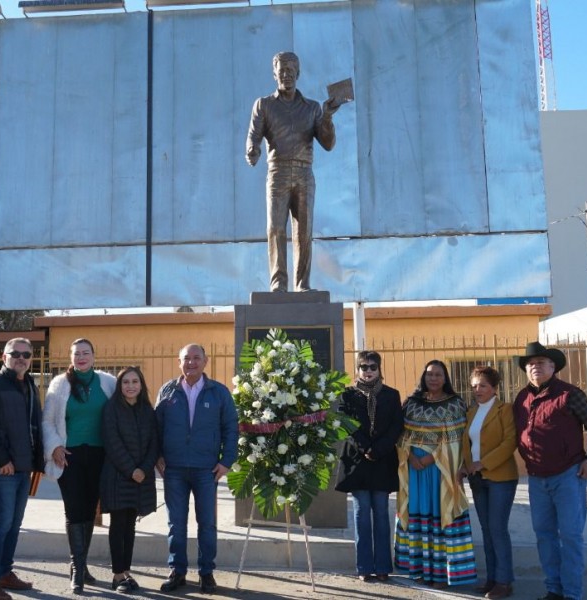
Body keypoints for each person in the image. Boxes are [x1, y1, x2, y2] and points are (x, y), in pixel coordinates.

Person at [513, 342, 587, 600]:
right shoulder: (522, 398)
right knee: (544, 536)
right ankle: (554, 589)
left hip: (568, 476)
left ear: (553, 366)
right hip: (536, 478)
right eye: (531, 364)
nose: (535, 367)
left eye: (541, 363)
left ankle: (572, 594)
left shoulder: (569, 394)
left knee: (571, 536)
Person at [246, 51, 339, 292]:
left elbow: (328, 143)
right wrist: (252, 150)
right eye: (282, 70)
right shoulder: (264, 105)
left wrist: (327, 117)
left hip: (304, 173)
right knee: (275, 227)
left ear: (298, 74)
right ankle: (278, 282)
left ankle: (302, 284)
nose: (286, 74)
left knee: (303, 230)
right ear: (274, 73)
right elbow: (253, 136)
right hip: (277, 173)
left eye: (291, 70)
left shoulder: (312, 108)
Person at [155, 343, 238, 594]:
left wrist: (226, 461)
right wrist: (157, 455)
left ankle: (206, 573)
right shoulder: (167, 391)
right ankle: (177, 571)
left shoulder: (219, 392)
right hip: (174, 469)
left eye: (196, 358)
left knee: (207, 524)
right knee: (176, 524)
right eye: (186, 358)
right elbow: (155, 427)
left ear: (205, 361)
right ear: (179, 362)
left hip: (206, 469)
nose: (191, 362)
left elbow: (231, 428)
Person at [394, 359, 477, 589]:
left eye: (438, 374)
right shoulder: (411, 403)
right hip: (414, 469)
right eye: (429, 374)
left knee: (440, 514)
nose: (433, 378)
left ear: (445, 378)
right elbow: (400, 434)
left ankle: (441, 573)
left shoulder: (455, 404)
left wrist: (429, 458)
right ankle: (418, 569)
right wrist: (410, 456)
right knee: (417, 513)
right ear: (424, 376)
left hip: (440, 470)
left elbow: (456, 441)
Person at [0, 338, 44, 600]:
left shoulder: (30, 386)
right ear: (4, 357)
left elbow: (33, 426)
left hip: (24, 468)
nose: (21, 358)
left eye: (26, 354)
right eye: (16, 354)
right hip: (3, 468)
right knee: (1, 524)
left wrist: (38, 462)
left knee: (14, 524)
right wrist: (1, 460)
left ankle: (4, 572)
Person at [42, 338, 115, 593]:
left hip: (99, 457)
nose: (81, 357)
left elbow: (120, 416)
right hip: (68, 457)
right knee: (74, 511)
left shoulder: (108, 382)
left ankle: (80, 565)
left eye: (86, 353)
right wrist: (54, 447)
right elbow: (48, 421)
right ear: (70, 358)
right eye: (76, 354)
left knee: (89, 512)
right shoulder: (59, 384)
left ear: (94, 355)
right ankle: (77, 569)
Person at [334, 350, 404, 582]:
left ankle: (383, 566)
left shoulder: (392, 395)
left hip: (382, 461)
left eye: (372, 367)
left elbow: (397, 426)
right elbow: (346, 425)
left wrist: (379, 449)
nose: (368, 371)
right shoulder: (347, 395)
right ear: (357, 369)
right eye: (364, 367)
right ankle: (364, 566)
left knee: (381, 514)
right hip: (357, 461)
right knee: (362, 513)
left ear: (379, 368)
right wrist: (365, 448)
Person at [460, 366, 518, 599]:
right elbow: (468, 444)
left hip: (500, 477)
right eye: (474, 386)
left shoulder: (505, 410)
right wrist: (466, 467)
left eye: (482, 385)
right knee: (486, 530)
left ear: (495, 388)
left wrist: (482, 463)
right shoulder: (472, 412)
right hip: (477, 479)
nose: (477, 390)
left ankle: (504, 582)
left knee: (497, 529)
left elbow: (509, 442)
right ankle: (492, 579)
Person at [100, 366, 158, 594]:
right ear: (119, 386)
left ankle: (126, 571)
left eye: (135, 382)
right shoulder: (111, 409)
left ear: (141, 385)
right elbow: (112, 442)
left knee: (130, 527)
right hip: (117, 477)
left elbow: (155, 442)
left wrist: (144, 469)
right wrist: (131, 470)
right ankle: (117, 575)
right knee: (118, 525)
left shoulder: (147, 410)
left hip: (141, 478)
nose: (131, 386)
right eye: (126, 382)